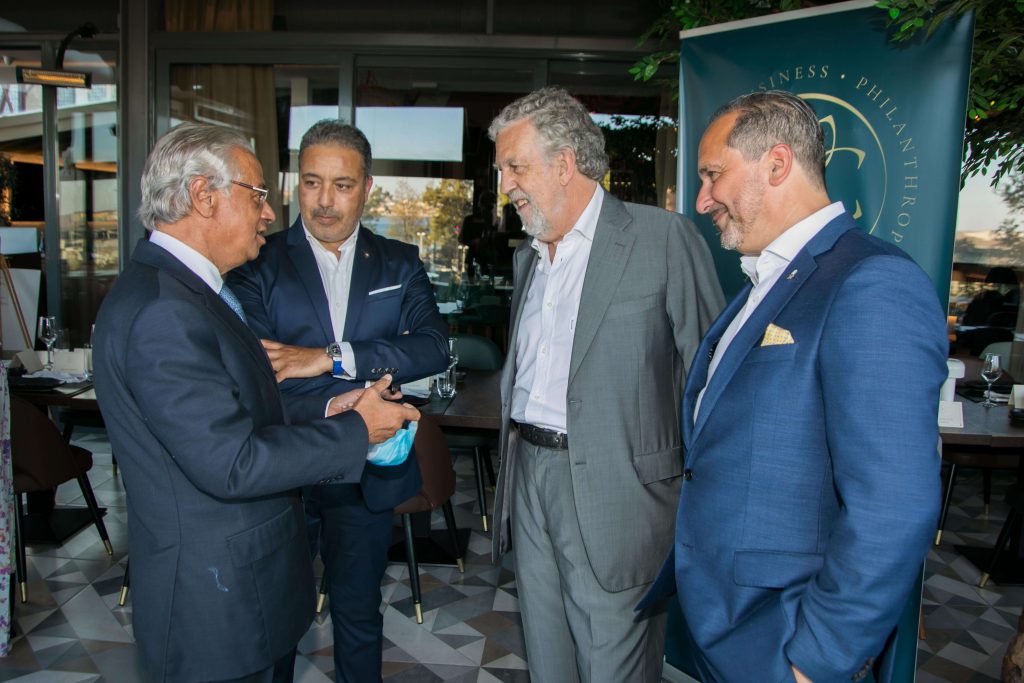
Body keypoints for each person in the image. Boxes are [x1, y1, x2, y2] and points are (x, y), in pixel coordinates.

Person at [92, 122, 420, 683]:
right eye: (257, 194)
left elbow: (239, 414)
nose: (269, 213)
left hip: (244, 590)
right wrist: (357, 431)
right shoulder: (165, 312)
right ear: (204, 196)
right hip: (217, 604)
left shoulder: (190, 293)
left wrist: (330, 411)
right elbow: (232, 462)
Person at [638, 91, 947, 683]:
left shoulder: (872, 282)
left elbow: (893, 507)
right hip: (726, 623)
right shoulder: (766, 281)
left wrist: (816, 662)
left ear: (777, 164)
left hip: (785, 636)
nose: (702, 200)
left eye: (712, 175)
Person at [488, 86, 724, 682]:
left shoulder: (662, 239)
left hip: (620, 493)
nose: (505, 184)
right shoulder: (527, 257)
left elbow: (712, 380)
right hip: (529, 475)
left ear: (564, 164)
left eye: (515, 166)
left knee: (614, 664)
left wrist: (705, 508)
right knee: (548, 656)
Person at [227, 120, 449, 682]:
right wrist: (351, 403)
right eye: (311, 182)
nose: (324, 201)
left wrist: (328, 357)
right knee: (275, 620)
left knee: (358, 612)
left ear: (367, 187)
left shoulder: (398, 261)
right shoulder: (256, 261)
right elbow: (260, 373)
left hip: (365, 473)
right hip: (283, 469)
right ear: (294, 183)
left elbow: (431, 347)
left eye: (342, 185)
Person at [459, 189, 497, 277]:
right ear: (481, 204)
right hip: (474, 259)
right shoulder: (470, 220)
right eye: (487, 205)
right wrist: (473, 242)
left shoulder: (494, 222)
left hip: (489, 260)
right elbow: (461, 238)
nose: (488, 209)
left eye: (491, 206)